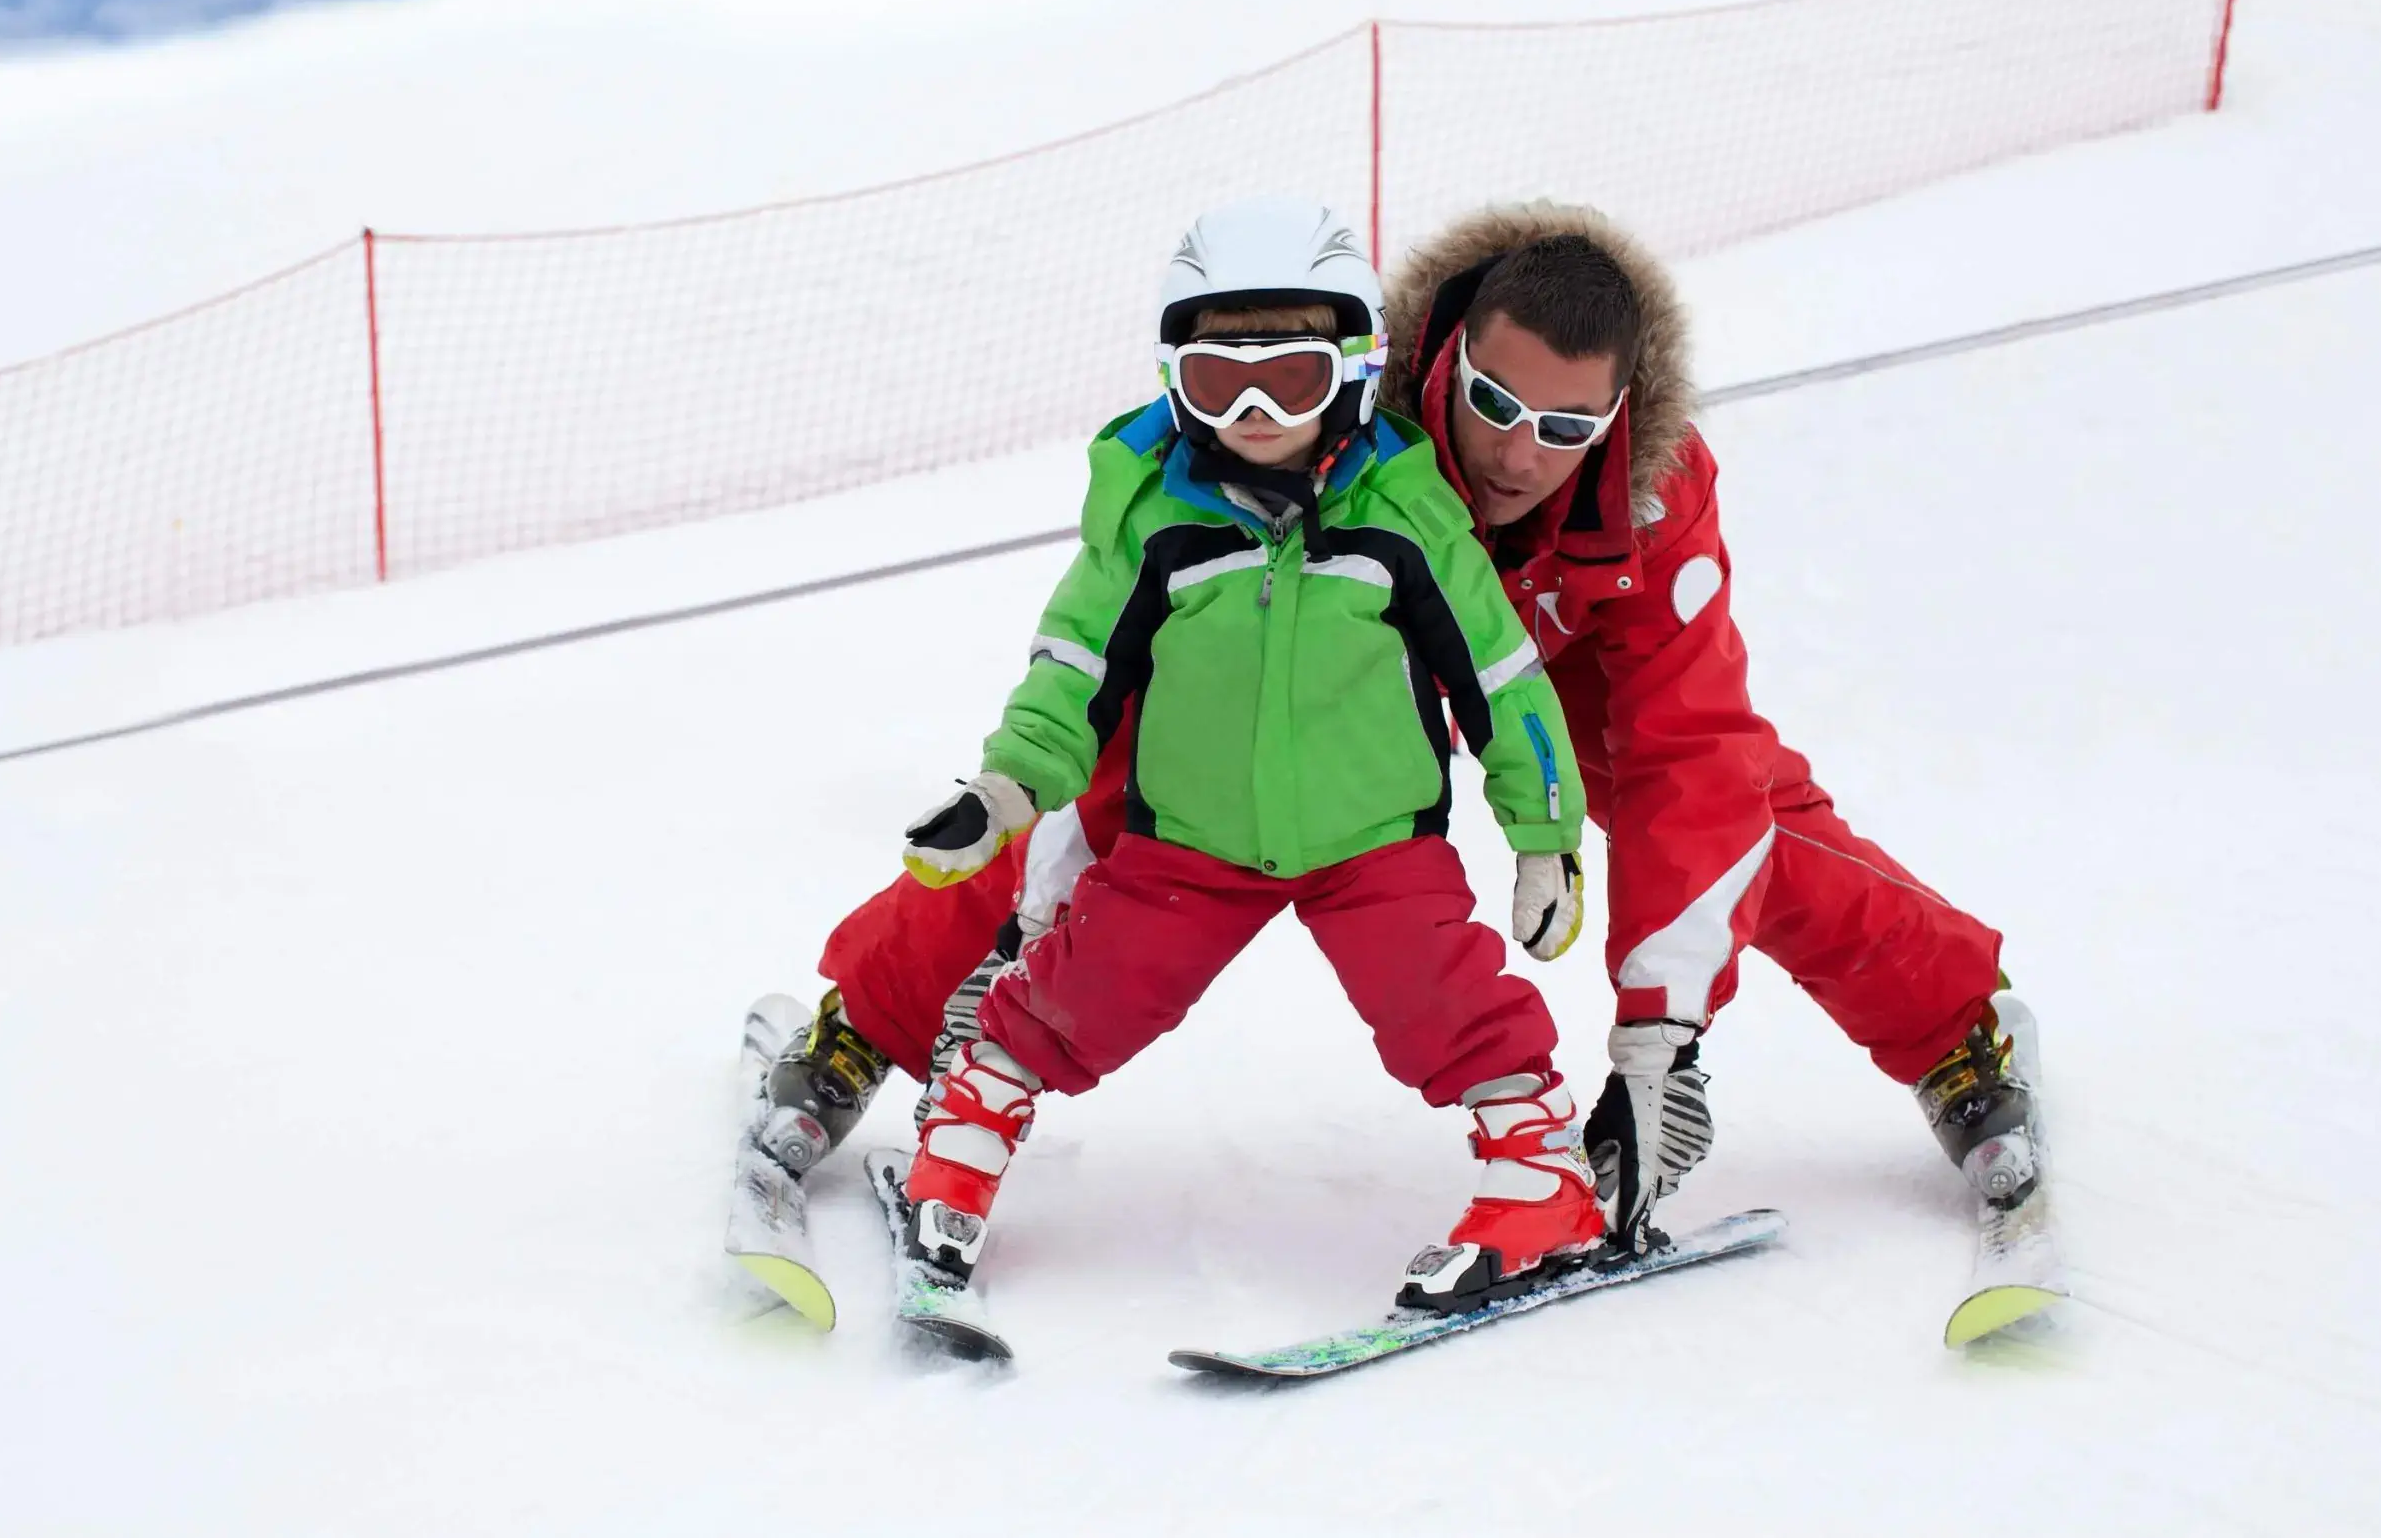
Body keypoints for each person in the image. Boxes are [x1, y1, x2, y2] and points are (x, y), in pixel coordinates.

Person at [754, 197, 2029, 1275]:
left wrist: (1661, 1037)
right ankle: (866, 1021)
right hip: (1320, 637)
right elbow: (1091, 671)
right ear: (1440, 360)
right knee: (1103, 776)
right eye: (1494, 404)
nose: (1523, 451)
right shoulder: (1349, 416)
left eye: (1568, 428)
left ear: (1620, 410)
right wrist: (1036, 913)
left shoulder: (1652, 492)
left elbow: (1692, 756)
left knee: (1734, 811)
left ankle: (1956, 1033)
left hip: (1546, 666)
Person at [882, 196, 1603, 1313]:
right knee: (1081, 996)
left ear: (1355, 372)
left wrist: (1545, 838)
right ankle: (963, 1137)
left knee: (1448, 1003)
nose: (1257, 411)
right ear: (1176, 376)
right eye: (1221, 382)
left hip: (1375, 843)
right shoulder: (1154, 520)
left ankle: (1539, 1181)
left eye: (1294, 380)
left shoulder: (1403, 519)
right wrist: (1008, 786)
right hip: (1192, 842)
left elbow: (1503, 682)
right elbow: (1073, 667)